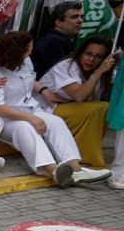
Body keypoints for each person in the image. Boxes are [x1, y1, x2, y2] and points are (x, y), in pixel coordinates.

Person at [0, 31, 113, 187]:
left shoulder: (24, 60)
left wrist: (44, 90)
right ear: (15, 52)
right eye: (28, 49)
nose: (32, 52)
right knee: (25, 128)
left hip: (30, 108)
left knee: (55, 122)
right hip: (4, 117)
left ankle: (75, 169)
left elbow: (29, 78)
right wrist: (31, 118)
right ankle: (53, 171)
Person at [40, 35, 118, 167]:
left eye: (98, 56)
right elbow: (78, 96)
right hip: (48, 110)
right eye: (88, 54)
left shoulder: (106, 72)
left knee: (106, 109)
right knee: (99, 108)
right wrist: (98, 72)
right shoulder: (67, 66)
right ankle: (85, 156)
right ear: (81, 52)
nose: (91, 59)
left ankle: (81, 151)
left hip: (71, 110)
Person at [33, 0, 83, 78]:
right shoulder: (53, 43)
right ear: (59, 22)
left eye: (82, 17)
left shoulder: (60, 41)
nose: (80, 21)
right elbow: (62, 76)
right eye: (74, 17)